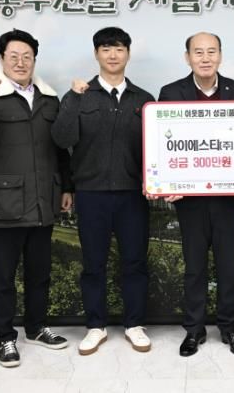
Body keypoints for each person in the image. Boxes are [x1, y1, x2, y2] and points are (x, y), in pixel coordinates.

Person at [0, 29, 72, 368]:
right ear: (2, 59)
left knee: (39, 274)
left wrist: (66, 187)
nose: (21, 63)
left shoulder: (49, 99)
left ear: (34, 59)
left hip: (42, 202)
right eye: (13, 57)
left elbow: (60, 149)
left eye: (27, 57)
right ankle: (5, 338)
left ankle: (36, 328)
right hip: (2, 204)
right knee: (3, 278)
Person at [157, 32, 234, 357]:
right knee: (194, 266)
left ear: (220, 55)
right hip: (188, 198)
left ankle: (229, 328)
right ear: (187, 57)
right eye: (198, 52)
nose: (205, 58)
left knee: (228, 266)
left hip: (227, 197)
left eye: (211, 52)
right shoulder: (171, 92)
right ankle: (194, 329)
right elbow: (164, 143)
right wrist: (166, 183)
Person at [51, 27, 155, 355]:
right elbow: (62, 139)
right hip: (91, 194)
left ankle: (134, 324)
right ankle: (95, 326)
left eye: (119, 49)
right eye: (106, 49)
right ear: (96, 54)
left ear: (128, 54)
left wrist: (157, 183)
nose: (113, 55)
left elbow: (157, 148)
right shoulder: (80, 96)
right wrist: (72, 98)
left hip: (133, 195)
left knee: (134, 262)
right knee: (93, 264)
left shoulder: (144, 99)